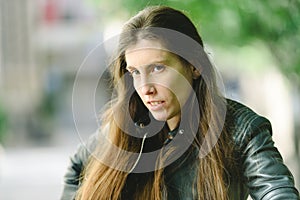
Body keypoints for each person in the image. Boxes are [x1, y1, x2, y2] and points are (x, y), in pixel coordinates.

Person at [61, 6, 300, 200]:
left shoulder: (240, 129)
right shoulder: (129, 125)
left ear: (194, 65)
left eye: (158, 68)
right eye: (134, 72)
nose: (145, 88)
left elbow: (276, 190)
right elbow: (77, 167)